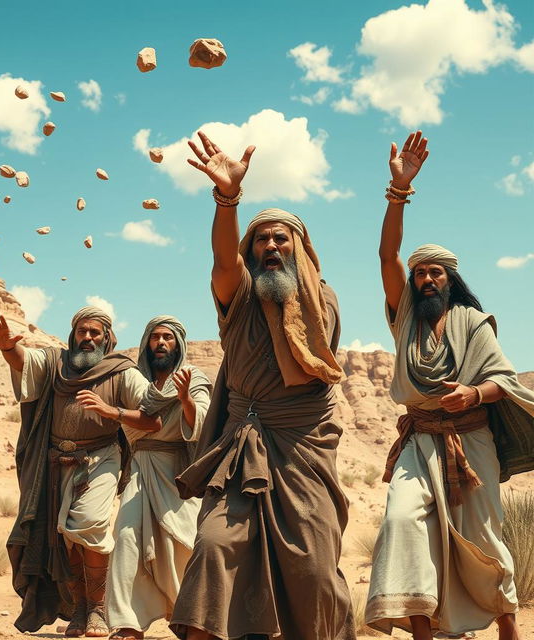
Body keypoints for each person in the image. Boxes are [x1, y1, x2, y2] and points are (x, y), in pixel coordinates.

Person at [169, 131, 356, 640]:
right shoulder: (240, 294)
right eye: (261, 240)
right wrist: (227, 200)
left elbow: (313, 365)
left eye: (281, 239)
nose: (271, 246)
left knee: (314, 571)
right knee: (212, 548)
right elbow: (223, 262)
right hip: (242, 446)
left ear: (299, 248)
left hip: (302, 449)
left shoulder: (326, 300)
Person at [366, 131, 534, 640]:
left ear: (451, 280)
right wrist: (399, 191)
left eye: (436, 273)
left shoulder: (475, 321)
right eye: (420, 275)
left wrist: (473, 394)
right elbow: (385, 252)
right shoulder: (404, 321)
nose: (427, 281)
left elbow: (504, 380)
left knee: (479, 534)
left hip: (470, 437)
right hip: (419, 439)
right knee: (400, 523)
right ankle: (421, 629)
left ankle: (507, 626)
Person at [0, 307, 160, 637]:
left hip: (100, 459)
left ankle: (98, 608)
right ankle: (80, 608)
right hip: (53, 464)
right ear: (73, 335)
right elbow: (25, 362)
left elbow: (151, 415)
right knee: (63, 537)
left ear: (107, 338)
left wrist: (113, 411)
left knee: (90, 523)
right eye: (83, 332)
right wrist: (8, 347)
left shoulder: (121, 371)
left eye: (95, 333)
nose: (88, 338)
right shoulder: (56, 364)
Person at [107, 315, 212, 639]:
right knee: (125, 538)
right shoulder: (135, 380)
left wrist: (185, 401)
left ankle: (192, 618)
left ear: (177, 343)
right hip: (140, 466)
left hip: (177, 472)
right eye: (155, 338)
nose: (161, 343)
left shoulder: (192, 378)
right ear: (147, 343)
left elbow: (205, 421)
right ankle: (127, 623)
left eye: (167, 337)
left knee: (183, 543)